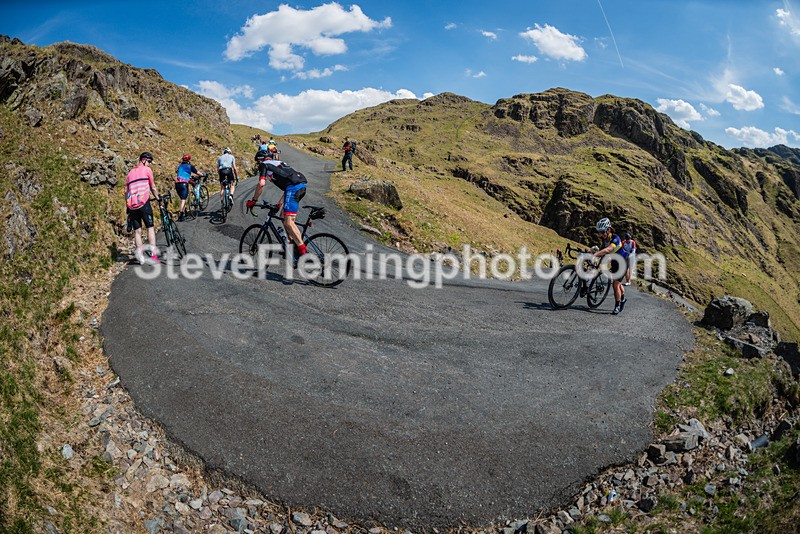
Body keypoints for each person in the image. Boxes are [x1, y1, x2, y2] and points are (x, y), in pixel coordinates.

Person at [246, 150, 308, 256]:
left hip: (294, 186)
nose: (258, 164)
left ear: (261, 160)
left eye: (257, 162)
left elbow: (261, 184)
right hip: (299, 185)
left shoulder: (265, 165)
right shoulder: (277, 163)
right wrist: (279, 204)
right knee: (284, 217)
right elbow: (287, 189)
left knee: (288, 222)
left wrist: (253, 200)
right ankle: (292, 247)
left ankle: (303, 252)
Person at [125, 152, 161, 263]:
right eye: (149, 162)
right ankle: (153, 254)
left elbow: (126, 192)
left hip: (132, 205)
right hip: (144, 203)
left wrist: (127, 205)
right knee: (150, 227)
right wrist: (158, 198)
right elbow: (153, 187)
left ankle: (140, 257)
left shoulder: (130, 173)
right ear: (143, 160)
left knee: (137, 231)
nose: (150, 164)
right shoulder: (147, 170)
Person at [592, 217, 627, 315]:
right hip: (614, 262)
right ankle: (623, 298)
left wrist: (595, 254)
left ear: (609, 230)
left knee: (615, 284)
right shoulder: (604, 240)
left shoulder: (615, 238)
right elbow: (603, 252)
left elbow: (608, 250)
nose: (601, 234)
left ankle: (617, 305)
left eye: (602, 232)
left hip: (623, 261)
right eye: (599, 232)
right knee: (618, 284)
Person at [175, 154, 203, 221]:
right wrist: (203, 175)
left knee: (181, 199)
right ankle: (181, 215)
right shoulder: (190, 166)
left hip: (177, 184)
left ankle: (185, 212)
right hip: (184, 184)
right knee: (183, 199)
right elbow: (197, 172)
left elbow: (181, 175)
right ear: (189, 160)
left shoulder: (180, 166)